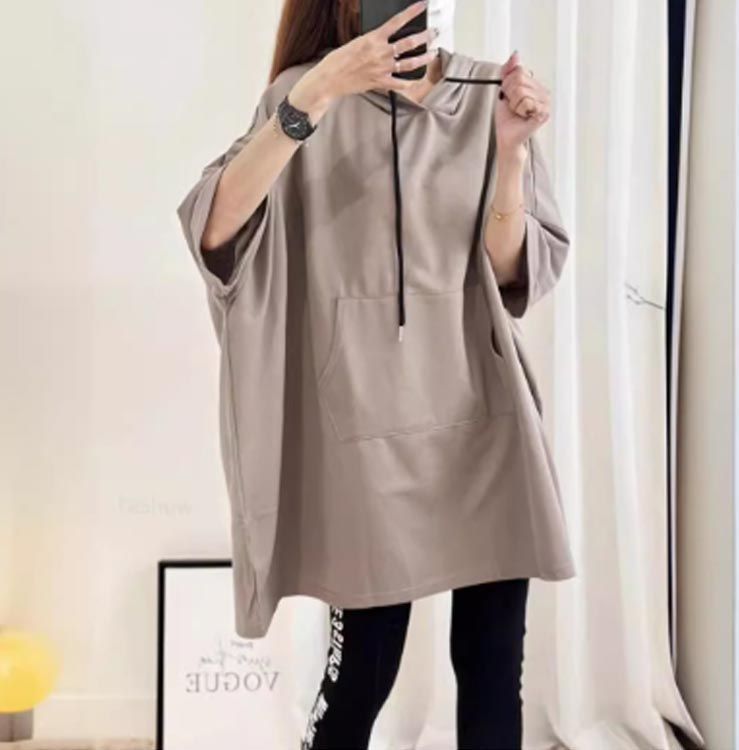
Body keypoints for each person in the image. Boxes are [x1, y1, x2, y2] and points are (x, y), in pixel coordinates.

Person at [176, 0, 575, 746]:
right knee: (361, 672)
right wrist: (318, 92)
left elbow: (511, 275)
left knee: (494, 668)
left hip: (483, 422)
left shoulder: (490, 93)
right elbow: (216, 230)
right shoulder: (302, 97)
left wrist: (512, 155)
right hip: (362, 433)